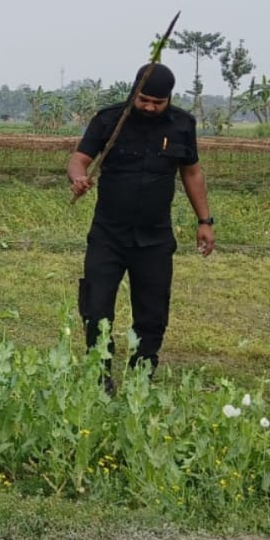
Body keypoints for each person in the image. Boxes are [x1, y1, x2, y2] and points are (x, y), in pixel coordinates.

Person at [67, 63, 214, 384]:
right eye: (144, 99)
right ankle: (99, 374)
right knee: (96, 307)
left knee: (152, 314)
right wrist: (78, 177)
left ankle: (142, 374)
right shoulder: (109, 120)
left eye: (157, 103)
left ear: (169, 99)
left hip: (155, 238)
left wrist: (204, 220)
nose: (149, 107)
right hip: (108, 235)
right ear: (134, 92)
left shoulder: (182, 125)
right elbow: (79, 159)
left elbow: (191, 173)